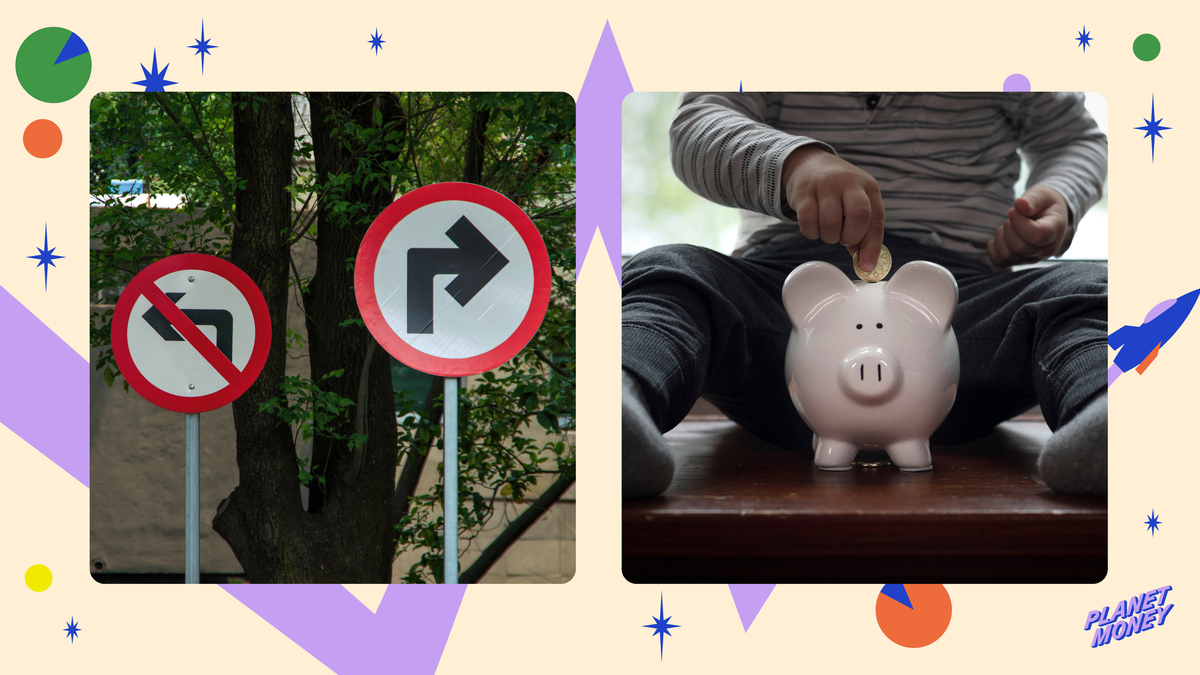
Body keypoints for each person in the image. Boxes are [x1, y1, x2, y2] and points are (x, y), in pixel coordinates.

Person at [622, 92, 1108, 498]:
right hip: (782, 298)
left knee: (1087, 288)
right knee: (672, 271)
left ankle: (1103, 413)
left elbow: (1074, 138)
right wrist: (793, 164)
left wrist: (1059, 198)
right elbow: (696, 127)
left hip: (963, 309)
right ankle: (624, 396)